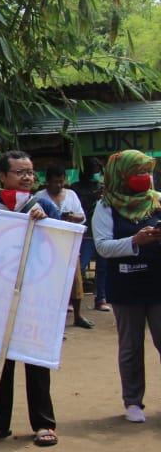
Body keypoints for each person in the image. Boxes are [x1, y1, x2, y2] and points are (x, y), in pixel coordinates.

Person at [0, 150, 61, 448]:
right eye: (19, 172)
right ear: (2, 176)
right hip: (0, 294)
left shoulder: (45, 204)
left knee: (35, 357)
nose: (27, 177)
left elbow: (62, 240)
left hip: (36, 293)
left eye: (30, 172)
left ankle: (43, 423)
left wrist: (47, 219)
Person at [91, 150, 161, 423]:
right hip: (125, 287)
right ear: (120, 176)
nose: (143, 178)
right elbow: (103, 246)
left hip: (158, 283)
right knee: (131, 346)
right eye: (137, 173)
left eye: (147, 172)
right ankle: (133, 402)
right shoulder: (106, 206)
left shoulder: (157, 201)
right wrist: (135, 241)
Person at [35, 166, 92, 329]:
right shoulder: (39, 197)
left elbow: (82, 217)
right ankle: (51, 321)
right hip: (46, 245)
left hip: (69, 242)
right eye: (55, 182)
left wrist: (72, 217)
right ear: (47, 182)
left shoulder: (71, 195)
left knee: (75, 281)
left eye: (61, 182)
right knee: (50, 283)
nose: (58, 185)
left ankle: (78, 315)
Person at [72, 162, 112, 312]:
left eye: (97, 170)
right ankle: (72, 299)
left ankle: (100, 298)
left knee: (103, 267)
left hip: (102, 232)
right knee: (80, 266)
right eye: (92, 169)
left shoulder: (103, 187)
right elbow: (79, 210)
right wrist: (91, 198)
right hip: (86, 232)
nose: (95, 172)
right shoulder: (76, 188)